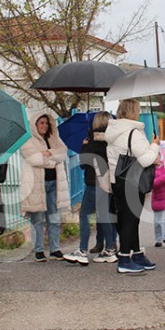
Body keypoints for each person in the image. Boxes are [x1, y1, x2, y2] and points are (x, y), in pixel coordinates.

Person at [106, 98, 161, 274]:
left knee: (130, 218)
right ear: (133, 112)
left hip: (118, 180)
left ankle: (136, 253)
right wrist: (155, 146)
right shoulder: (133, 133)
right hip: (133, 181)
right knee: (131, 220)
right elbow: (145, 160)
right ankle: (124, 258)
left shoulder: (113, 131)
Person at [68, 112, 118, 265]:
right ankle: (110, 249)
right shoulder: (112, 141)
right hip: (108, 183)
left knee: (84, 215)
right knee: (105, 216)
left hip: (93, 182)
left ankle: (82, 250)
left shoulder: (91, 142)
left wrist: (84, 147)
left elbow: (84, 164)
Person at [20, 112, 70, 262]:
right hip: (36, 185)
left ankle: (55, 249)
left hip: (54, 183)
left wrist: (48, 153)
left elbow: (62, 153)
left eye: (46, 123)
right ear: (35, 125)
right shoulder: (28, 140)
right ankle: (39, 250)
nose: (44, 126)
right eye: (41, 123)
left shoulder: (54, 139)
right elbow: (33, 158)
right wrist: (51, 160)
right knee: (38, 219)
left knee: (54, 217)